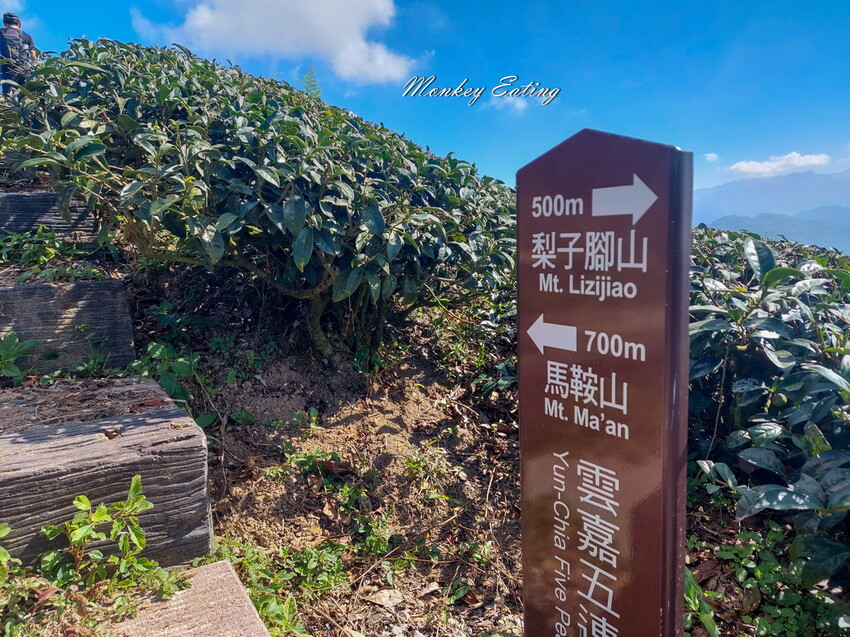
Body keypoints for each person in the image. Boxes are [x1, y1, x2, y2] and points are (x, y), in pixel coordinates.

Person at [0, 12, 36, 96]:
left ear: (4, 23)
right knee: (27, 95)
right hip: (24, 69)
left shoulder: (1, 32)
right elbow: (33, 55)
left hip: (7, 70)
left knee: (8, 98)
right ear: (19, 24)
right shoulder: (27, 36)